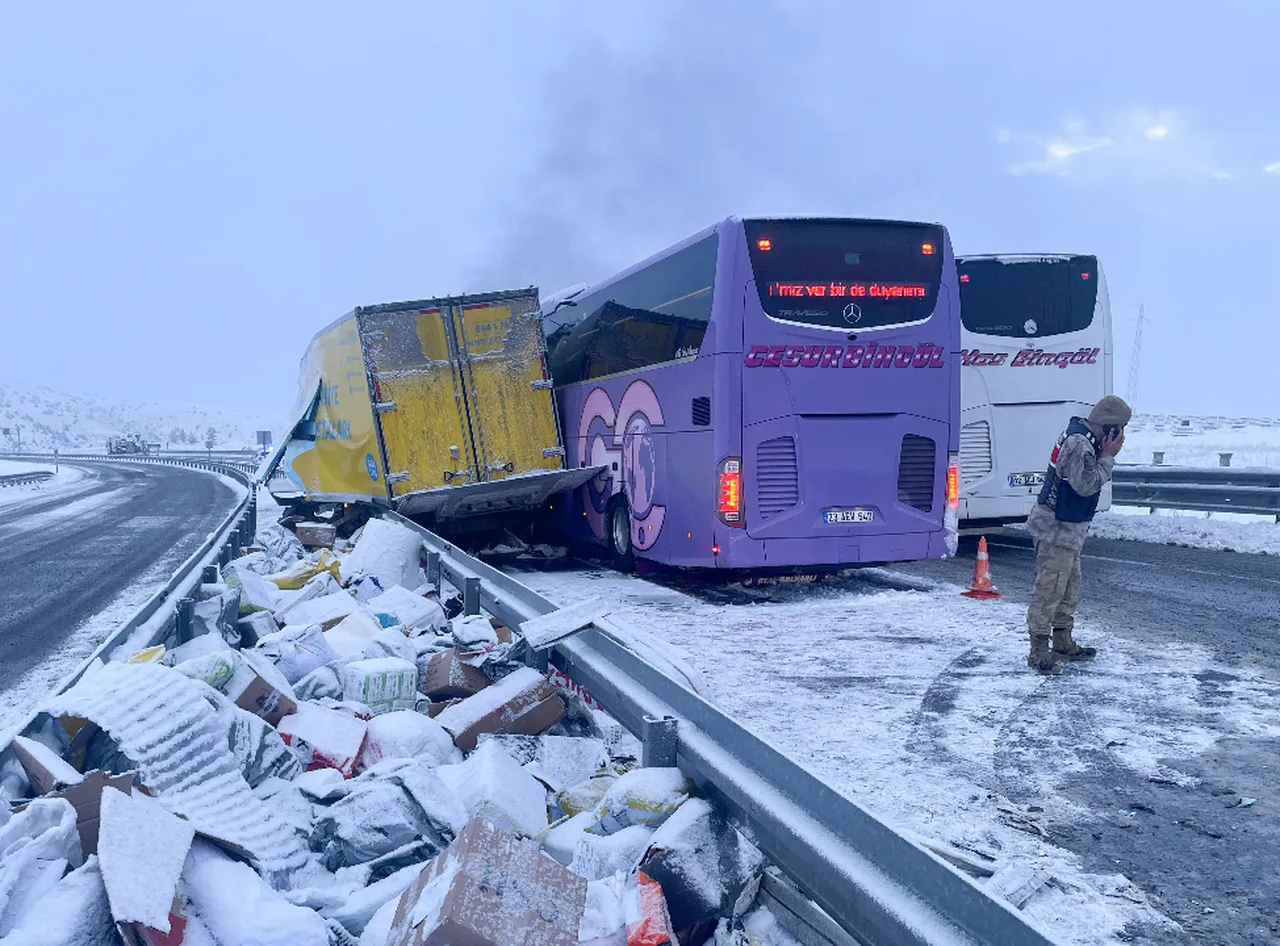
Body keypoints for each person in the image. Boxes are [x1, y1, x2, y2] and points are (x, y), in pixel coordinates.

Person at [1024, 394, 1132, 675]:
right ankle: (1038, 651)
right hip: (1056, 528)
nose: (1122, 435)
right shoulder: (1078, 443)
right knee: (1050, 588)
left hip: (1069, 528)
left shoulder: (1085, 440)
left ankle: (1062, 642)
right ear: (1109, 427)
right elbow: (1084, 484)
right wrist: (1108, 458)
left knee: (1068, 586)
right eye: (1120, 428)